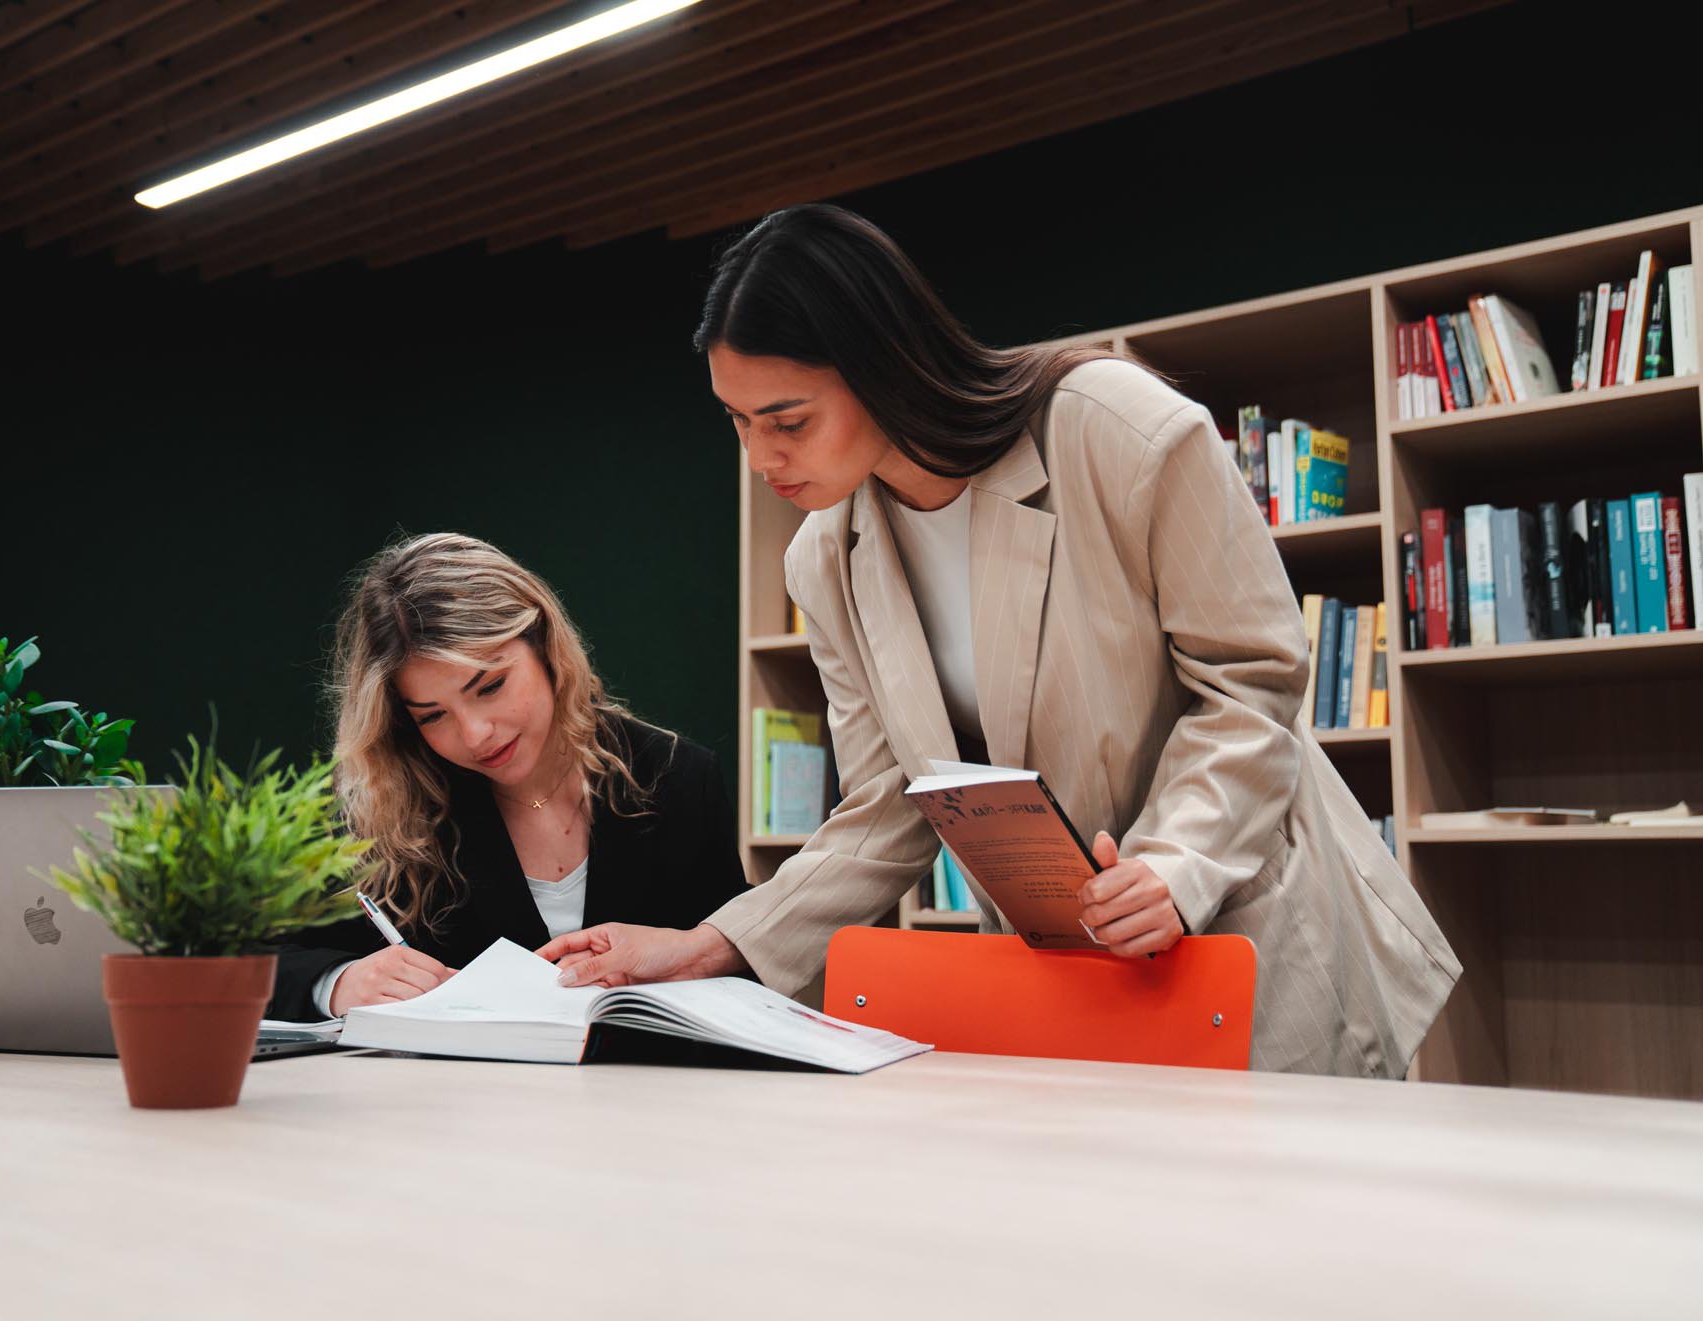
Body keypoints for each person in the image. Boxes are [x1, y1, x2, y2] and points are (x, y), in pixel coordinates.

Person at [542, 204, 1461, 1077]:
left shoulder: (1115, 429)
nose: (761, 458)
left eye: (787, 421)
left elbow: (1252, 681)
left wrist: (1173, 866)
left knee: (1277, 1228)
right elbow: (891, 806)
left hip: (1250, 920)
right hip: (1065, 966)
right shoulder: (826, 558)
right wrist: (711, 947)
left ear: (884, 364)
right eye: (737, 423)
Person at [263, 532, 746, 1023]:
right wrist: (338, 983)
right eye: (432, 716)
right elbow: (248, 960)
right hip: (451, 1098)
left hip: (653, 1092)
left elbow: (742, 975)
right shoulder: (381, 807)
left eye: (490, 686)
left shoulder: (675, 775)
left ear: (544, 644)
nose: (475, 736)